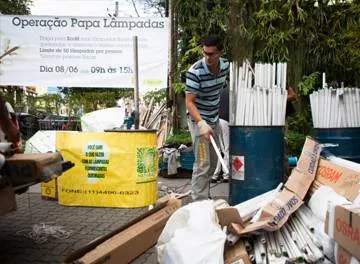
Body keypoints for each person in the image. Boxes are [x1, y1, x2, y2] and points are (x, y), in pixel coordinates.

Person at [185, 35, 230, 201]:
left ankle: (205, 195)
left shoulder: (225, 66)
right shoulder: (195, 71)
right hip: (199, 121)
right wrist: (201, 123)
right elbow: (189, 102)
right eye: (205, 53)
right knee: (203, 163)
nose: (208, 57)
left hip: (214, 119)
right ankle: (198, 202)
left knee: (212, 163)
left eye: (212, 54)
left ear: (221, 53)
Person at [211, 84, 229, 183]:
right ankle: (226, 174)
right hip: (226, 122)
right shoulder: (232, 92)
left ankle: (215, 174)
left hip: (216, 121)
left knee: (218, 148)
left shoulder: (219, 92)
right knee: (226, 149)